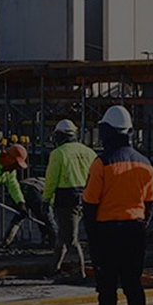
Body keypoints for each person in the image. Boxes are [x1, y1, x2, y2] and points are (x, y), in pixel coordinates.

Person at [79, 105, 153, 305]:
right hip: (134, 230)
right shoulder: (145, 163)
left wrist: (91, 236)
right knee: (133, 285)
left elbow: (90, 203)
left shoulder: (102, 163)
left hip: (107, 231)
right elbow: (151, 201)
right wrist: (141, 223)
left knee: (107, 287)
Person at [42, 119, 96, 280]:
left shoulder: (58, 154)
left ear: (59, 135)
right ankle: (55, 267)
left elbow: (51, 179)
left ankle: (80, 272)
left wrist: (46, 199)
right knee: (63, 235)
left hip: (66, 200)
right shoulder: (89, 152)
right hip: (87, 197)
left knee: (71, 239)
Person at [0, 143, 30, 250]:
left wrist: (20, 202)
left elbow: (13, 186)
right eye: (16, 164)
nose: (16, 168)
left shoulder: (10, 170)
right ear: (7, 157)